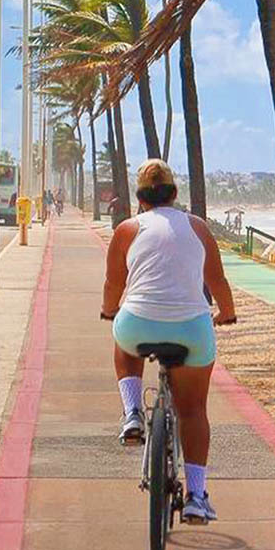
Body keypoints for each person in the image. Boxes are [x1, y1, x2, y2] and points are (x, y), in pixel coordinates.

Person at [101, 159, 237, 524]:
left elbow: (114, 286)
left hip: (137, 326)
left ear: (140, 198)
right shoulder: (198, 228)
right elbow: (219, 283)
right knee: (193, 411)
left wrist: (109, 310)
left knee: (122, 337)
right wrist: (227, 313)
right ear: (175, 194)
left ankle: (132, 413)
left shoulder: (127, 229)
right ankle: (196, 496)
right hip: (191, 330)